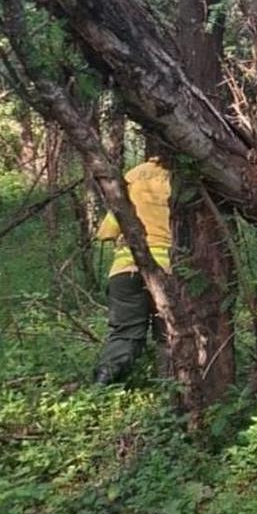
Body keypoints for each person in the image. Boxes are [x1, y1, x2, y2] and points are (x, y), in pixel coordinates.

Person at [93, 151, 172, 385]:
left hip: (125, 269)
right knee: (169, 335)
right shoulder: (183, 181)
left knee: (125, 333)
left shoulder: (133, 177)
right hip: (168, 269)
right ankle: (170, 388)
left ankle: (102, 384)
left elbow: (105, 233)